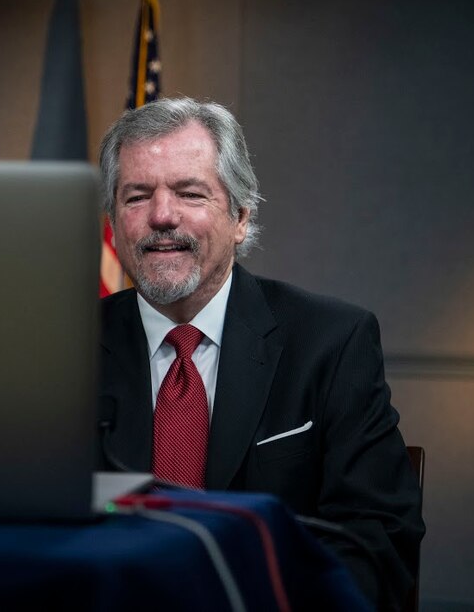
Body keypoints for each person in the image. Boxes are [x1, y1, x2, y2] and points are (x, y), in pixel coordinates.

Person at [96, 97, 424, 610]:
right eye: (137, 196)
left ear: (241, 217)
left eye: (190, 192)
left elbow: (376, 539)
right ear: (113, 223)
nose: (161, 215)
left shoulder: (332, 342)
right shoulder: (62, 350)